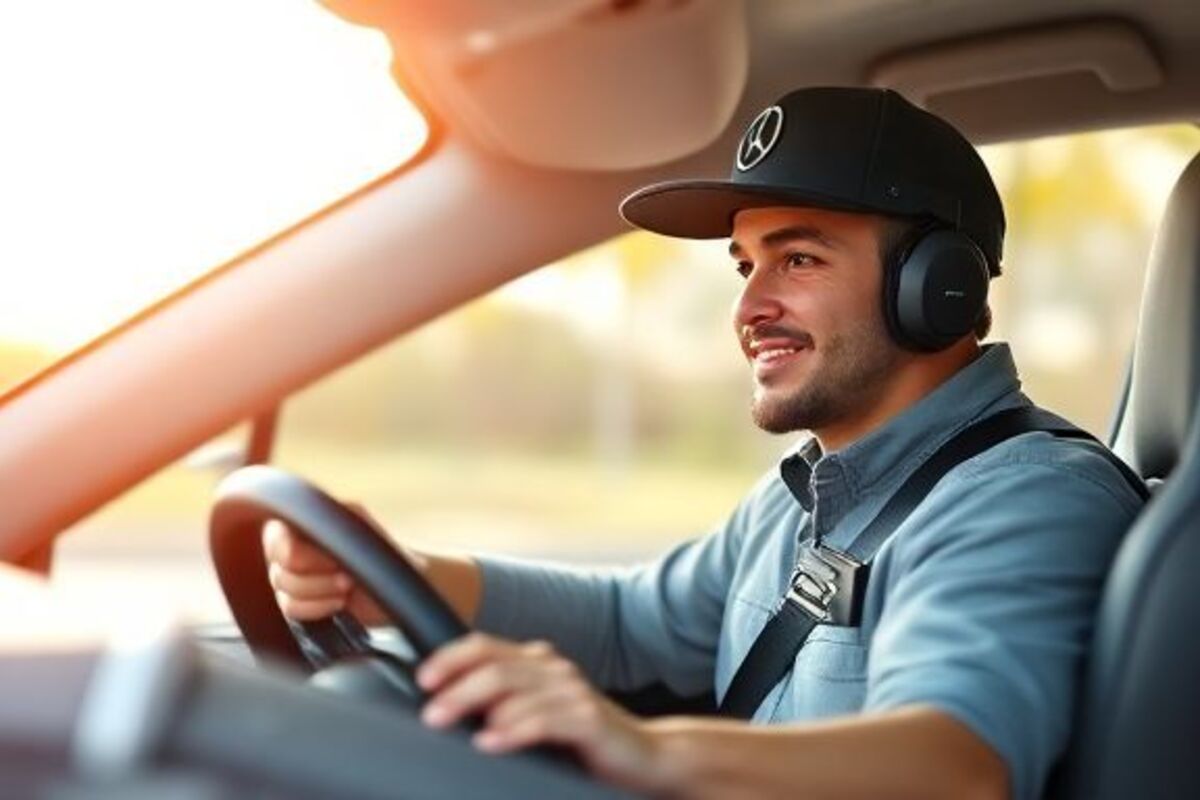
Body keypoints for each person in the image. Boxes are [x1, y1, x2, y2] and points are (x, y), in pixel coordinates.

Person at [263, 87, 1144, 799]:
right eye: (744, 264)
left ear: (938, 288)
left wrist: (650, 752)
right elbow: (629, 626)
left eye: (799, 259)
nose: (750, 306)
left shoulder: (1027, 497)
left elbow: (957, 768)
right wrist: (397, 576)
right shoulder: (807, 492)